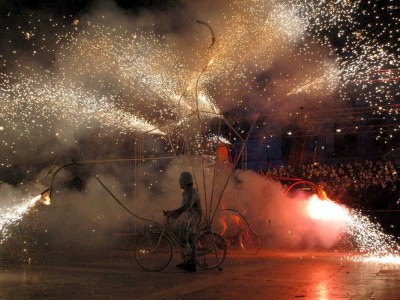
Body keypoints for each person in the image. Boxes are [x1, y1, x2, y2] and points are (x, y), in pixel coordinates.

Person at [165, 171, 203, 272]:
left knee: (190, 237)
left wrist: (175, 213)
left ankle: (192, 264)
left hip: (195, 216)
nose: (179, 183)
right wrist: (173, 212)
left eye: (181, 181)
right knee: (182, 237)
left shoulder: (191, 192)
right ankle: (187, 261)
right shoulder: (187, 192)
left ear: (185, 181)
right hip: (190, 216)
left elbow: (187, 206)